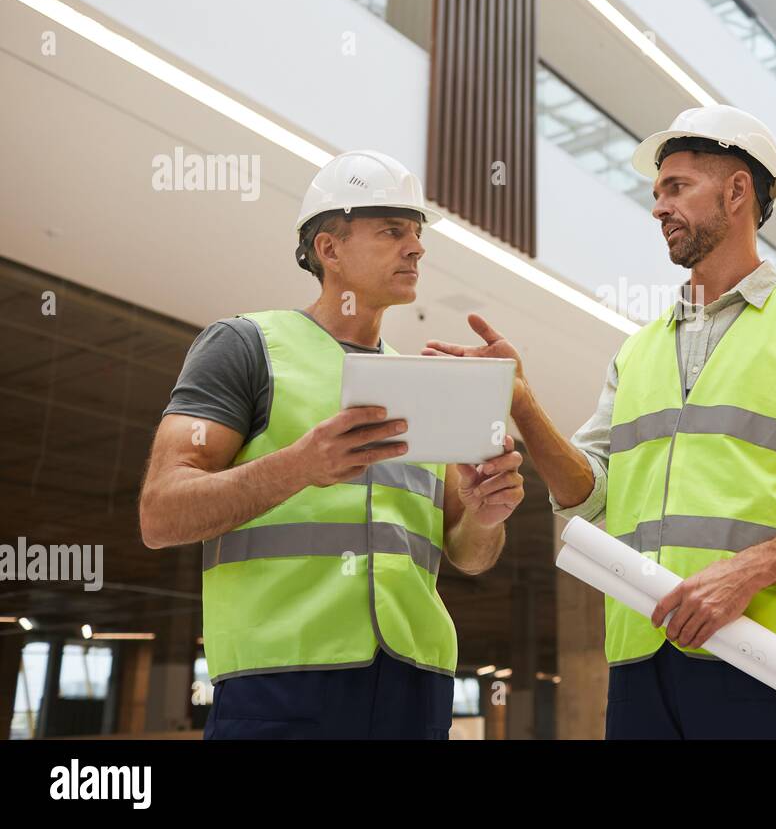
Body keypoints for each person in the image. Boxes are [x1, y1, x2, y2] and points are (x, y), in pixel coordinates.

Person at [425, 106, 776, 738]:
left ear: (737, 192)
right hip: (641, 667)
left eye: (676, 188)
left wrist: (746, 573)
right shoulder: (638, 350)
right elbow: (588, 495)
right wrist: (522, 401)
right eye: (656, 194)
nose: (658, 207)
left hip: (769, 662)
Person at [139, 150, 524, 739]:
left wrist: (484, 514)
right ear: (329, 249)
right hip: (280, 682)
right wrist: (298, 466)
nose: (416, 247)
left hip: (415, 688)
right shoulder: (245, 347)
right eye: (393, 231)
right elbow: (161, 513)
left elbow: (468, 554)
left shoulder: (424, 386)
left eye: (417, 234)